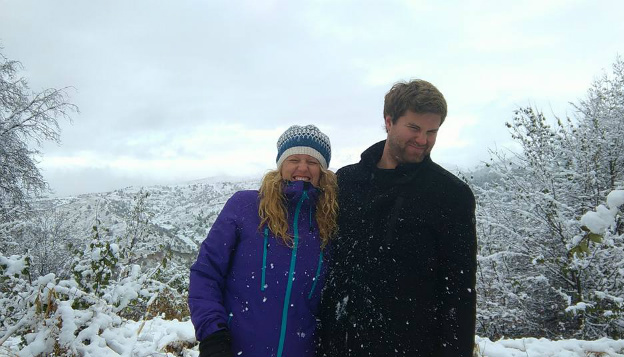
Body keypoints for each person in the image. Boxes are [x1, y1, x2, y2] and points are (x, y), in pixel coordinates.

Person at [318, 80, 477, 357]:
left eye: (432, 131)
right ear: (389, 121)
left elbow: (459, 292)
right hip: (340, 344)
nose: (423, 140)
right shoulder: (346, 182)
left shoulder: (450, 194)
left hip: (412, 346)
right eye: (414, 128)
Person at [189, 124, 338, 357]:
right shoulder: (245, 206)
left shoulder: (328, 222)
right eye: (294, 159)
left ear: (322, 169)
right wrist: (212, 333)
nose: (302, 168)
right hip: (234, 350)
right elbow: (206, 273)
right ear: (281, 165)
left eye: (312, 161)